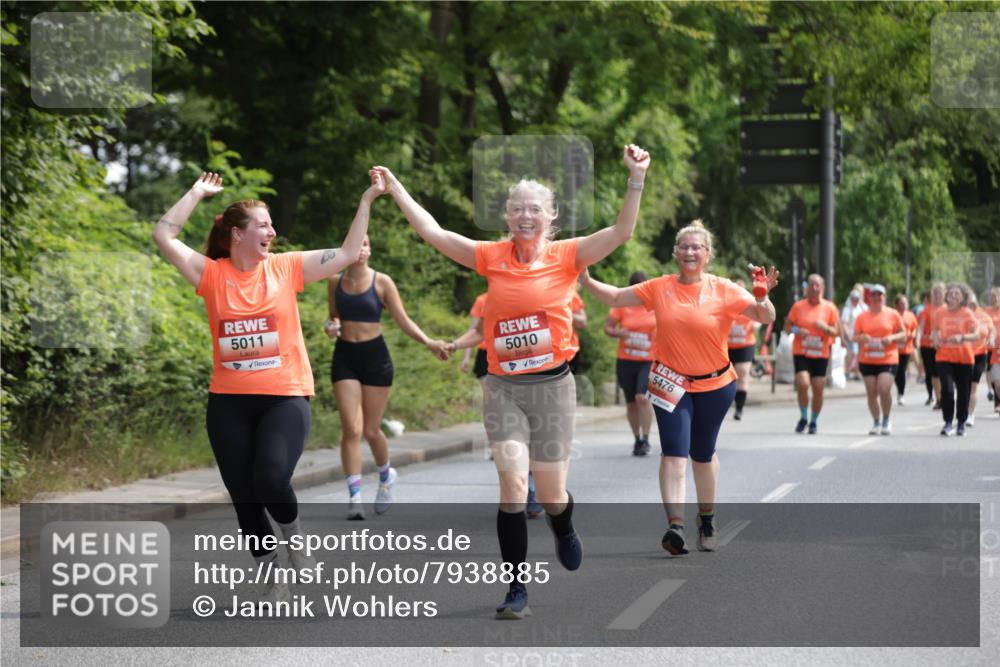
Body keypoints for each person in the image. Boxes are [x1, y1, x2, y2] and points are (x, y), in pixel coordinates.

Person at [374, 143, 651, 620]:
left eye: (535, 209)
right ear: (506, 215)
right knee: (511, 486)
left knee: (550, 493)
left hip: (553, 389)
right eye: (518, 208)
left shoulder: (568, 256)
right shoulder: (491, 256)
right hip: (502, 387)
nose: (526, 215)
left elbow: (623, 231)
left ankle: (564, 525)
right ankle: (516, 588)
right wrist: (396, 187)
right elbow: (433, 231)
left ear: (551, 217)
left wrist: (636, 176)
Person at [152, 170, 375, 602]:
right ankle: (270, 567)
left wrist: (366, 200)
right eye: (264, 225)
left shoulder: (286, 267)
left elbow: (349, 252)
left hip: (285, 396)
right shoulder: (211, 275)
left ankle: (294, 540)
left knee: (271, 478)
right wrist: (196, 193)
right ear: (237, 235)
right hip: (229, 402)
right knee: (244, 495)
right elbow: (163, 234)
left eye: (272, 224)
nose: (273, 231)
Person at [581, 221, 778, 556]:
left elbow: (764, 316)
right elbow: (615, 296)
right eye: (683, 247)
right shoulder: (659, 287)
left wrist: (763, 295)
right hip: (670, 381)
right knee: (673, 453)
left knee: (702, 456)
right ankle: (676, 526)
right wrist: (584, 278)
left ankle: (707, 518)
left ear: (707, 254)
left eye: (696, 247)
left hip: (716, 384)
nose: (689, 252)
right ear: (675, 253)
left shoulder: (724, 289)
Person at [326, 235, 451, 520]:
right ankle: (355, 497)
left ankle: (385, 476)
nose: (361, 249)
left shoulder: (382, 282)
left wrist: (429, 342)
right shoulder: (335, 282)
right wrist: (330, 327)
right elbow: (332, 317)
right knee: (351, 428)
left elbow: (403, 320)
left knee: (371, 430)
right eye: (356, 244)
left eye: (366, 244)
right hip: (345, 357)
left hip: (375, 359)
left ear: (370, 250)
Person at [604, 271, 657, 455]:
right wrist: (620, 333)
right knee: (631, 403)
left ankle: (647, 438)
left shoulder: (655, 306)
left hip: (648, 360)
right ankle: (637, 439)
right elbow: (608, 328)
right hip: (626, 360)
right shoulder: (622, 306)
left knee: (642, 398)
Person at [783, 274, 844, 434]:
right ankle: (803, 417)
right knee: (802, 383)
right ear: (807, 288)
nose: (814, 288)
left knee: (818, 388)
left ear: (822, 288)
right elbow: (787, 327)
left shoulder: (830, 308)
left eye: (817, 285)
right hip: (801, 351)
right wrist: (797, 330)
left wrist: (825, 328)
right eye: (811, 285)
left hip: (821, 353)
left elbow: (837, 332)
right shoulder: (798, 306)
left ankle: (814, 421)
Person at [852, 285, 906, 435]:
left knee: (884, 388)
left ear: (885, 297)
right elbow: (854, 337)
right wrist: (862, 338)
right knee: (871, 393)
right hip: (868, 359)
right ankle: (876, 421)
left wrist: (892, 337)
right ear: (869, 298)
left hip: (888, 358)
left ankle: (886, 419)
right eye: (874, 295)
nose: (877, 298)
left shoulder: (893, 314)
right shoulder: (862, 317)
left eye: (880, 295)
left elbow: (904, 334)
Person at [931, 283, 980, 436]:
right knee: (947, 390)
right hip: (944, 357)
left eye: (956, 293)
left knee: (964, 392)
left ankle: (961, 423)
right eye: (950, 293)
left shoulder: (967, 313)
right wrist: (936, 339)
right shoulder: (940, 312)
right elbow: (934, 330)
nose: (953, 295)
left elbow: (977, 334)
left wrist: (962, 337)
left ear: (963, 298)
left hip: (964, 358)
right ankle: (947, 422)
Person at [727, 277, 761, 421]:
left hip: (745, 345)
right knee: (728, 378)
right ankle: (730, 399)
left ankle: (739, 409)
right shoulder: (725, 304)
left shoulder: (749, 304)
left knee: (743, 373)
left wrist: (756, 325)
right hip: (727, 346)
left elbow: (759, 318)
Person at [966, 294, 995, 427]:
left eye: (973, 302)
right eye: (968, 302)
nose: (971, 305)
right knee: (964, 387)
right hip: (964, 355)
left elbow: (992, 329)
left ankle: (970, 415)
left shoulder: (983, 316)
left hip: (980, 355)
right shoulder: (962, 314)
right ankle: (965, 411)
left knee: (973, 385)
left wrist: (991, 339)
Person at [917, 282, 946, 408]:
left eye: (940, 292)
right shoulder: (927, 309)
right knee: (933, 373)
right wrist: (917, 339)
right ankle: (939, 399)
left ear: (945, 294)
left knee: (943, 372)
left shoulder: (948, 308)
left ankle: (946, 396)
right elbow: (921, 327)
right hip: (927, 346)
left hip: (943, 346)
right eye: (935, 293)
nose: (937, 295)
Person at [893, 294, 919, 406]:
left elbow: (915, 328)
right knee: (895, 371)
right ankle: (899, 390)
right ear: (897, 305)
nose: (904, 305)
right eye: (902, 303)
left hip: (906, 348)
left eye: (905, 303)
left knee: (902, 371)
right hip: (894, 348)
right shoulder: (893, 315)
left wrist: (913, 335)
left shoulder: (910, 315)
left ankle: (901, 394)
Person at [460, 292, 489, 380]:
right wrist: (466, 357)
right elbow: (473, 330)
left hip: (506, 353)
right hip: (485, 353)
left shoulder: (514, 299)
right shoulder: (482, 300)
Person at [841, 288, 868, 380]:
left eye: (857, 298)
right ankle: (848, 371)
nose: (855, 300)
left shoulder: (862, 308)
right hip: (851, 335)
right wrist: (848, 335)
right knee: (852, 353)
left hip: (860, 335)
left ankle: (857, 372)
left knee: (859, 354)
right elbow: (844, 323)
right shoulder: (847, 309)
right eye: (854, 298)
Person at [987, 288, 1000, 414]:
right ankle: (997, 401)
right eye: (993, 297)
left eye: (997, 296)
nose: (995, 299)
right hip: (992, 348)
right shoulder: (987, 311)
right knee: (996, 380)